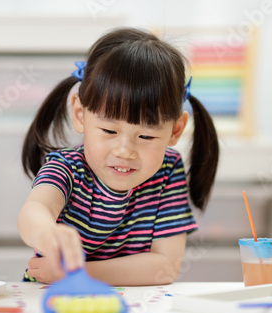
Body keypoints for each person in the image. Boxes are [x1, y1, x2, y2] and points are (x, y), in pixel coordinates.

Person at [17, 27, 219, 286]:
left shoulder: (167, 170)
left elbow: (166, 267)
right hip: (54, 298)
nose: (124, 151)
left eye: (146, 136)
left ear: (175, 130)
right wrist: (46, 233)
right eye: (109, 130)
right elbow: (35, 209)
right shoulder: (66, 168)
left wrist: (77, 273)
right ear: (80, 114)